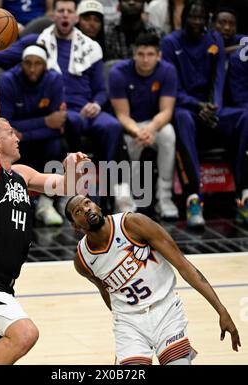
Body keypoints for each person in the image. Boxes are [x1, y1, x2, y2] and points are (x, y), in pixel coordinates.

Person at [0, 28, 89, 365]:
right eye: (9, 131)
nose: (17, 135)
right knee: (25, 333)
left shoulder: (23, 174)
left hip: (3, 281)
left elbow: (64, 186)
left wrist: (72, 166)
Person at [65, 194, 241, 365]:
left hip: (166, 311)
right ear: (74, 225)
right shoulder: (82, 261)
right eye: (78, 211)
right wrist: (124, 337)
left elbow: (183, 265)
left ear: (98, 206)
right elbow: (106, 293)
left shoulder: (133, 223)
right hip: (128, 323)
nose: (86, 209)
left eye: (87, 203)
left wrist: (221, 310)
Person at [38, 0, 136, 213]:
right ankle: (74, 192)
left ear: (75, 17)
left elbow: (101, 90)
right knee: (70, 121)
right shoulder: (40, 41)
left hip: (87, 108)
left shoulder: (91, 48)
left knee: (112, 126)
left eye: (69, 11)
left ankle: (118, 192)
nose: (65, 16)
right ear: (53, 15)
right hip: (63, 110)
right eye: (61, 11)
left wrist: (97, 104)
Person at [161, 0, 248, 228]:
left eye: (201, 18)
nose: (197, 22)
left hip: (211, 109)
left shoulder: (214, 39)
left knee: (244, 117)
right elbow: (172, 87)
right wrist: (198, 106)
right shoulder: (170, 43)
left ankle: (244, 197)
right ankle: (193, 199)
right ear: (183, 19)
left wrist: (215, 105)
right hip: (186, 108)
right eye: (193, 17)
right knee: (181, 118)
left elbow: (219, 78)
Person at [109, 32, 179, 219]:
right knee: (126, 142)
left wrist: (150, 129)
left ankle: (164, 198)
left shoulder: (167, 71)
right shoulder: (118, 72)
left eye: (150, 54)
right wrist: (138, 132)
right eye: (141, 54)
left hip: (155, 123)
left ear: (159, 55)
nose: (145, 59)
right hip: (130, 125)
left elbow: (166, 111)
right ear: (134, 54)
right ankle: (125, 201)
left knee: (169, 134)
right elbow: (122, 115)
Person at [0, 43, 67, 225]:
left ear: (45, 64)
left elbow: (57, 124)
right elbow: (4, 123)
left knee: (59, 143)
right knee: (1, 144)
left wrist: (25, 133)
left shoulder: (54, 80)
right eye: (27, 63)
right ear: (21, 64)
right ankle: (8, 203)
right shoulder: (7, 80)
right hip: (13, 139)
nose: (32, 68)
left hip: (37, 139)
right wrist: (44, 121)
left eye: (38, 63)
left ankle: (47, 202)